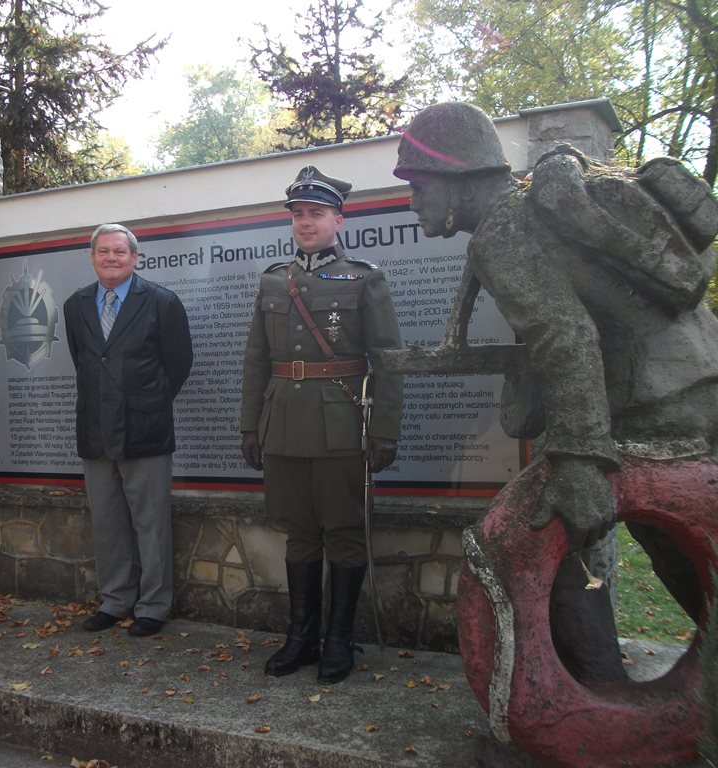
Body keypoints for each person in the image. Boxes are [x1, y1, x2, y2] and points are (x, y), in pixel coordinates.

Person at [392, 102, 718, 681]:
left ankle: (597, 706)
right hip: (698, 378)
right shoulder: (528, 213)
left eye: (418, 185)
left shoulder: (502, 232)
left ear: (456, 178)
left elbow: (563, 333)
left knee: (554, 539)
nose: (413, 202)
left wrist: (578, 459)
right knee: (684, 549)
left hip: (656, 401)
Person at [240, 166, 404, 683]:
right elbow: (255, 360)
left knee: (345, 533)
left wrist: (385, 431)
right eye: (298, 214)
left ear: (338, 218)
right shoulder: (272, 279)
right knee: (300, 535)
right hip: (283, 424)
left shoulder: (364, 277)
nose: (305, 223)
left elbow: (388, 359)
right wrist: (250, 427)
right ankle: (301, 637)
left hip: (340, 424)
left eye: (316, 213)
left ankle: (339, 640)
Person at [63, 224, 193, 637]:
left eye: (120, 252)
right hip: (96, 429)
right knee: (107, 520)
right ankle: (115, 600)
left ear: (135, 258)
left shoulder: (160, 302)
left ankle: (153, 605)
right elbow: (84, 361)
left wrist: (147, 401)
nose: (112, 258)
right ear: (92, 257)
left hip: (145, 429)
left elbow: (179, 363)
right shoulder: (75, 305)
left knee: (150, 521)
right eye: (103, 251)